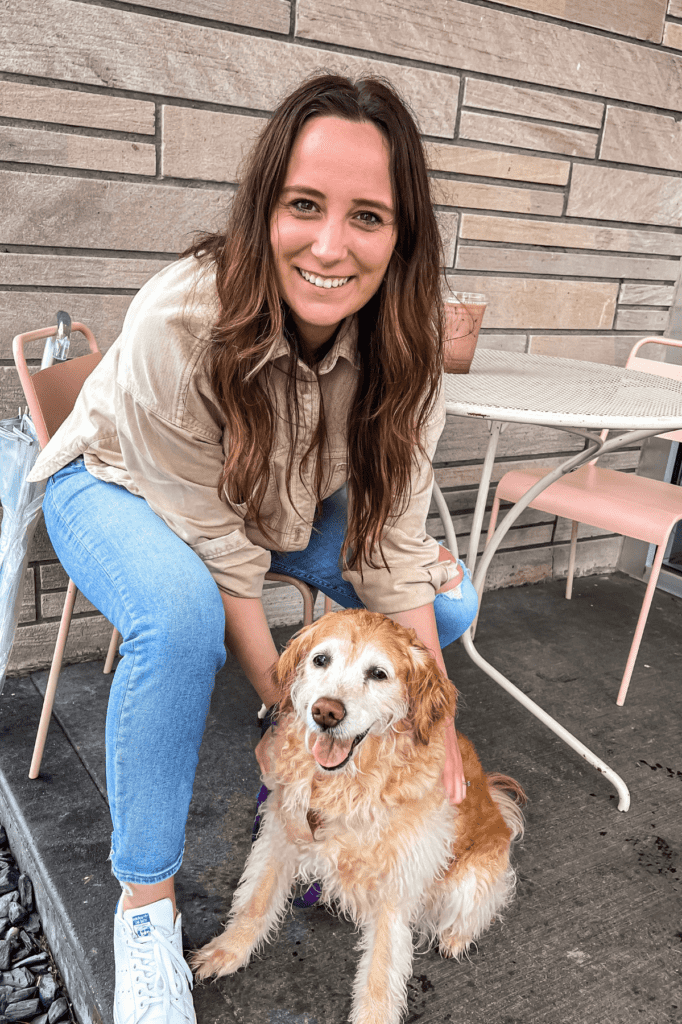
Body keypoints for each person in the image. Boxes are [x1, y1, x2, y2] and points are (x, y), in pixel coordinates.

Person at [28, 74, 479, 1024]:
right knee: (185, 620)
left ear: (404, 237)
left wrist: (434, 721)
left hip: (269, 503)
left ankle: (332, 770)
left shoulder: (409, 347)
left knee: (449, 604)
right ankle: (145, 908)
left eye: (369, 217)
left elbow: (391, 543)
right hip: (115, 481)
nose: (330, 245)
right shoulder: (180, 322)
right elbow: (222, 559)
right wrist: (294, 715)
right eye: (305, 206)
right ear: (263, 203)